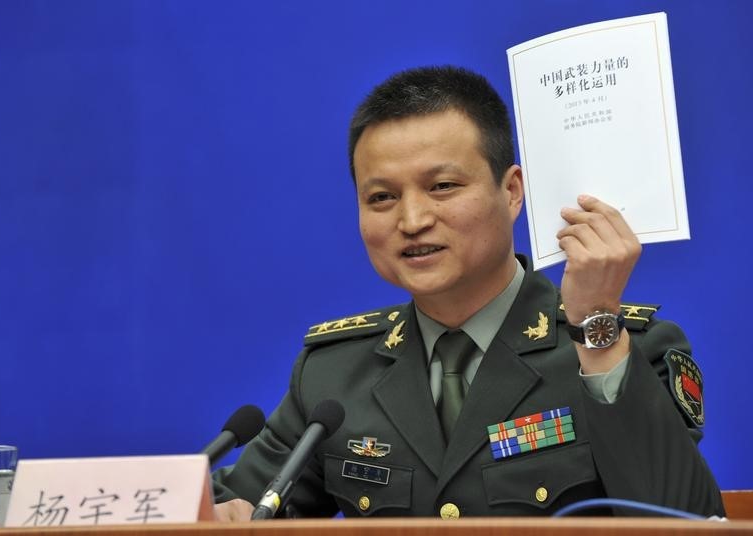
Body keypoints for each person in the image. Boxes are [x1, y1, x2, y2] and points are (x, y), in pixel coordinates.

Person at [212, 66, 724, 520]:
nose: (412, 220)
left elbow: (686, 518)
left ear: (511, 191)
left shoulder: (620, 344)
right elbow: (238, 506)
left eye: (442, 187)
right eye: (382, 197)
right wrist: (221, 513)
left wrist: (596, 326)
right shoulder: (333, 374)